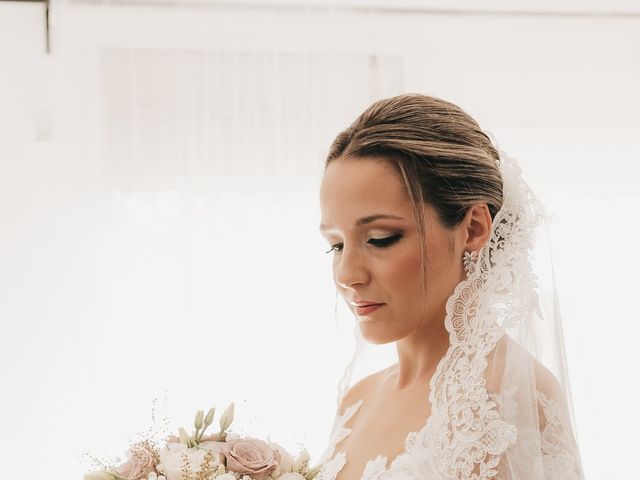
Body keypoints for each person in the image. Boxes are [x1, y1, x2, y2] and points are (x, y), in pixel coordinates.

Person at [315, 93, 584, 480]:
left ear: (473, 228)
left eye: (380, 238)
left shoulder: (506, 399)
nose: (347, 274)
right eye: (336, 245)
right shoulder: (358, 400)